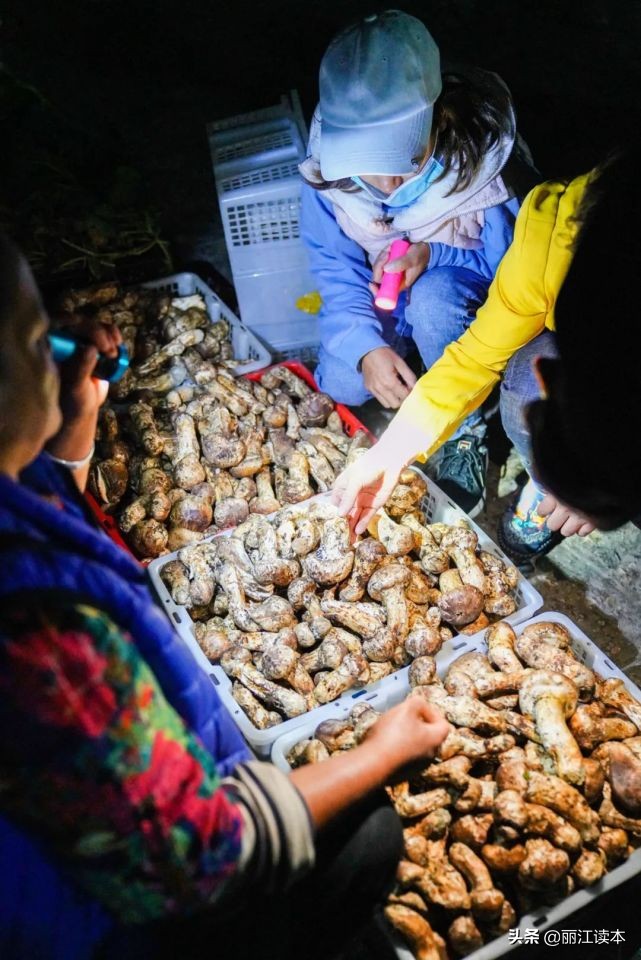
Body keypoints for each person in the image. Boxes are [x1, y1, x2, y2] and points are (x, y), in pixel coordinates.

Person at [0, 234, 451, 960]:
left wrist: (75, 429)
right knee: (367, 838)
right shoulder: (36, 639)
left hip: (108, 828)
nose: (55, 346)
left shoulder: (13, 499)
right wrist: (378, 755)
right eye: (34, 336)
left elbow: (50, 523)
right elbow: (194, 855)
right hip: (113, 925)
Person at [331, 150, 638, 565]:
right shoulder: (550, 238)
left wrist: (601, 488)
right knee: (525, 381)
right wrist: (391, 451)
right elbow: (473, 359)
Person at [300, 9, 536, 517]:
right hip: (386, 299)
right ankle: (406, 368)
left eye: (400, 161)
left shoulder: (484, 167)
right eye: (366, 163)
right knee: (341, 379)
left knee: (434, 299)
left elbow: (517, 281)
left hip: (457, 296)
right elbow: (336, 269)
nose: (384, 186)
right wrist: (365, 348)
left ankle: (469, 427)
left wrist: (435, 253)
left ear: (437, 118)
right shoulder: (328, 176)